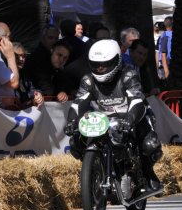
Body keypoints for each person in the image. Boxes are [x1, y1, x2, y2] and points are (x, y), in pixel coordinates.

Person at [64, 39, 163, 191]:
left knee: (150, 144)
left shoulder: (128, 75)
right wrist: (71, 121)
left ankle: (148, 173)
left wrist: (130, 120)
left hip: (133, 116)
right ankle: (93, 168)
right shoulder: (88, 80)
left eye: (105, 64)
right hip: (104, 120)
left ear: (117, 60)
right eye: (96, 64)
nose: (100, 68)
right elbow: (79, 102)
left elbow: (137, 100)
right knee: (75, 142)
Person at [13, 42, 44, 108]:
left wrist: (38, 94)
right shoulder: (5, 74)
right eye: (17, 56)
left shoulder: (25, 74)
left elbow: (32, 89)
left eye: (23, 56)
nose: (21, 59)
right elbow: (16, 97)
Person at [157, 16, 173, 82]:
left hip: (165, 65)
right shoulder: (166, 36)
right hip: (166, 66)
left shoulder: (163, 35)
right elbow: (163, 54)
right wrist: (166, 71)